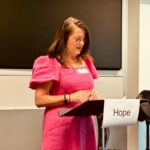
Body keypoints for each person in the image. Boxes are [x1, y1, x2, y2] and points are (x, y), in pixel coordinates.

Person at [29, 16, 99, 150]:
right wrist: (71, 97)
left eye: (84, 39)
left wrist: (93, 97)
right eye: (77, 39)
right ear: (64, 38)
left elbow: (86, 90)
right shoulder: (49, 63)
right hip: (60, 130)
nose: (82, 43)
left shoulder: (87, 62)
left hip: (84, 128)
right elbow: (39, 100)